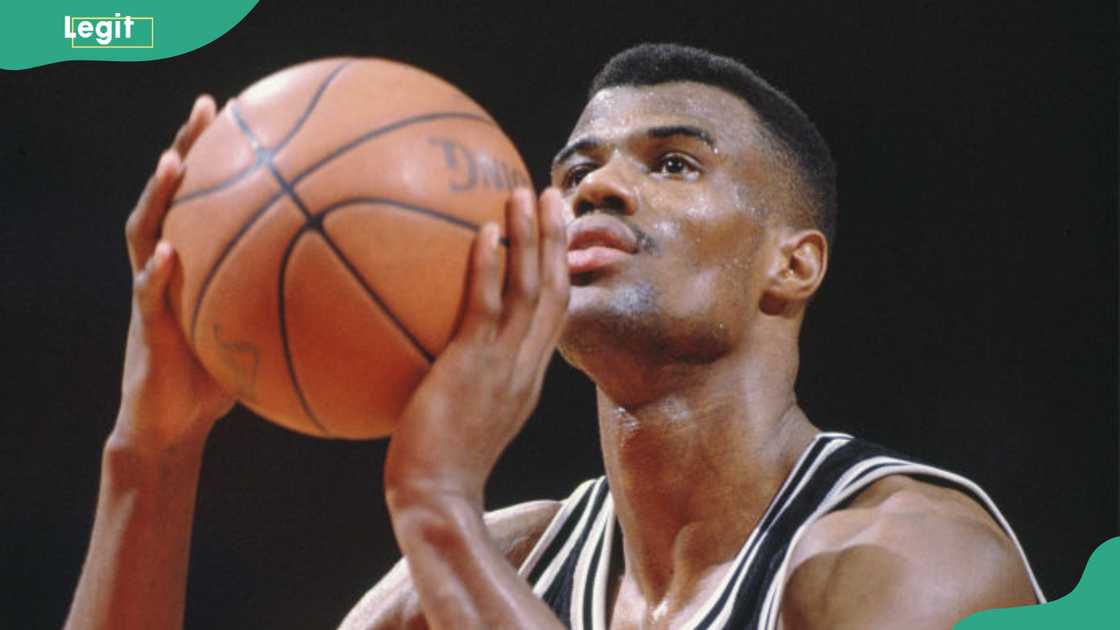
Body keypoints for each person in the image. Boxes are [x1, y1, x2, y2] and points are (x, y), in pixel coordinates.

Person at [65, 44, 1044, 630]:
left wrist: (438, 505)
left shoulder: (915, 564)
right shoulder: (509, 561)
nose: (598, 189)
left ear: (793, 263)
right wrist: (151, 455)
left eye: (672, 164)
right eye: (575, 171)